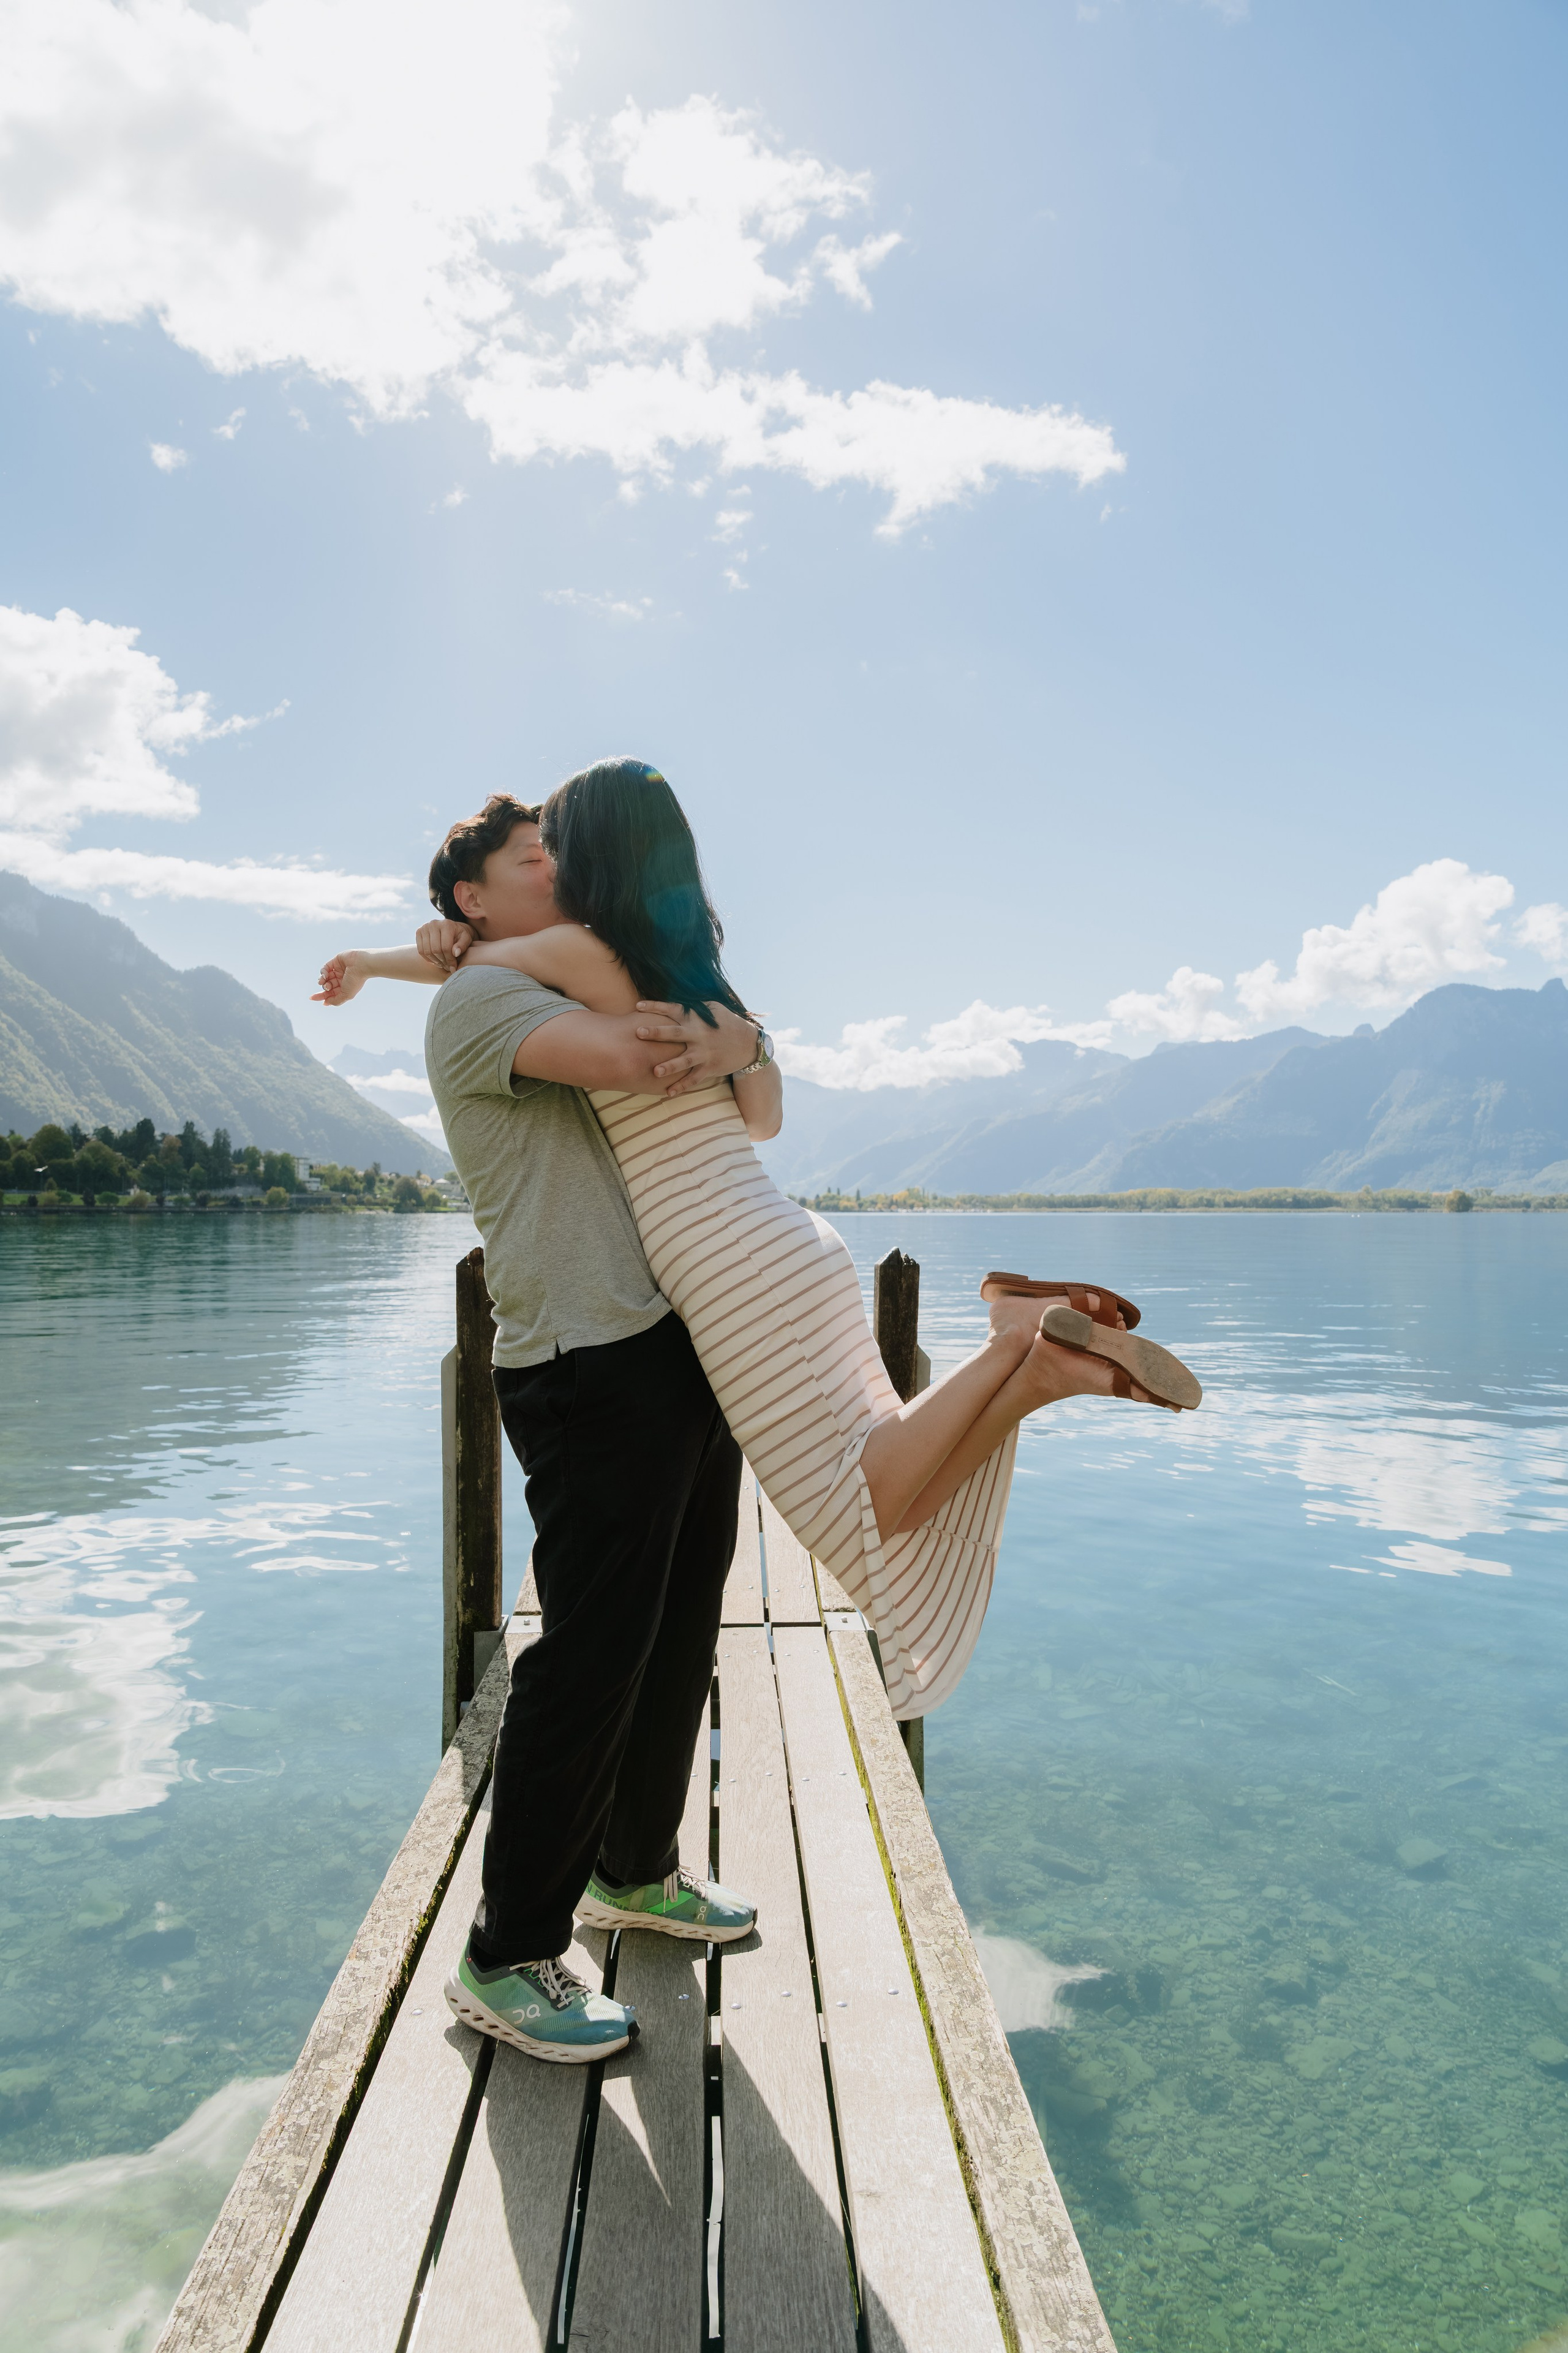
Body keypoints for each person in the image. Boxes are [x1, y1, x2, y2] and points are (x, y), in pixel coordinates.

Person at [317, 762, 1200, 2055]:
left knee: (678, 1627)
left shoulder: (542, 956)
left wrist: (734, 1035)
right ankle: (507, 1952)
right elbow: (643, 1055)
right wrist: (720, 1031)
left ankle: (633, 1867)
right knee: (592, 1647)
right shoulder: (488, 998)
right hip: (580, 1359)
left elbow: (699, 1067)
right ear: (466, 897)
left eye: (560, 861)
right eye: (526, 867)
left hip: (682, 1340)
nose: (553, 876)